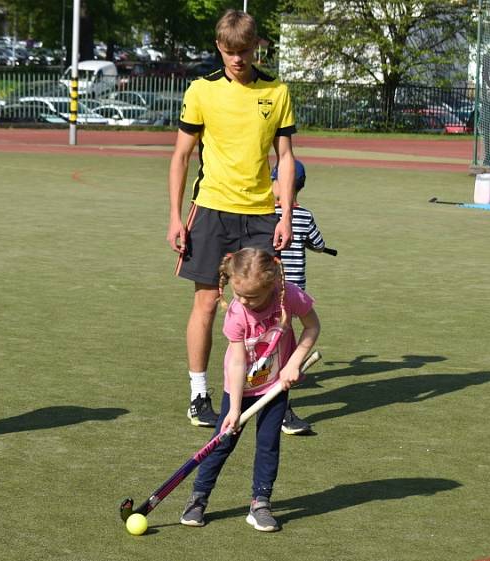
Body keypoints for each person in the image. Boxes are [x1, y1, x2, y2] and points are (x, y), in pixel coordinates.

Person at [168, 9, 297, 428]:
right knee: (206, 302)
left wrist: (285, 215)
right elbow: (181, 156)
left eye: (243, 51)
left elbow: (287, 158)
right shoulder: (201, 91)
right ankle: (198, 393)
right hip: (211, 210)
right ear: (219, 47)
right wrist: (174, 216)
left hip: (260, 212)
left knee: (274, 306)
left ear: (255, 46)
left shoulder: (277, 91)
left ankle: (278, 395)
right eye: (228, 51)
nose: (237, 59)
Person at [179, 248, 320, 531]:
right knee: (222, 444)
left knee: (268, 445)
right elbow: (237, 361)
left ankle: (260, 503)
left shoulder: (289, 296)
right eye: (238, 294)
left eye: (252, 297)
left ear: (272, 285)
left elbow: (312, 327)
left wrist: (293, 364)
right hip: (239, 387)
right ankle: (198, 498)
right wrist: (232, 410)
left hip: (274, 386)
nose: (244, 301)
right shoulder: (237, 313)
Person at [271, 159, 326, 435]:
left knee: (275, 344)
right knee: (285, 345)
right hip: (295, 295)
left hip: (270, 291)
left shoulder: (267, 214)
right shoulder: (305, 216)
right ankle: (280, 407)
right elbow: (318, 244)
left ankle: (274, 401)